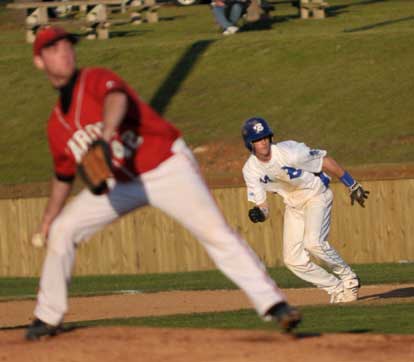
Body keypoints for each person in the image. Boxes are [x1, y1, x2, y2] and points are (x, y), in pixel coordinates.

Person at [25, 26, 301, 340]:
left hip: (167, 166)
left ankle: (276, 305)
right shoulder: (56, 127)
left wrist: (104, 135)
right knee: (64, 229)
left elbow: (117, 99)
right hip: (123, 184)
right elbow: (63, 175)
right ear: (39, 61)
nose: (64, 52)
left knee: (215, 233)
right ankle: (47, 317)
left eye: (67, 45)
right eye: (54, 48)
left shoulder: (95, 79)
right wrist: (49, 217)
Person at [241, 117, 369, 304]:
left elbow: (324, 161)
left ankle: (349, 279)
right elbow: (263, 207)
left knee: (313, 243)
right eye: (257, 139)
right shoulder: (251, 170)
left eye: (266, 137)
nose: (263, 142)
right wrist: (260, 214)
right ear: (249, 144)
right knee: (293, 260)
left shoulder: (290, 152)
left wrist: (352, 184)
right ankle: (335, 288)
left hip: (316, 195)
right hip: (294, 204)